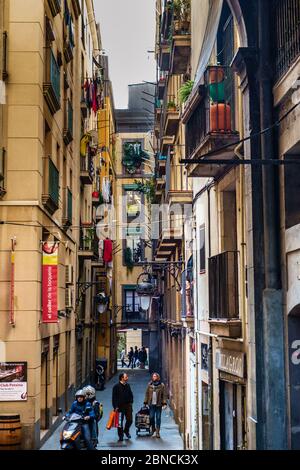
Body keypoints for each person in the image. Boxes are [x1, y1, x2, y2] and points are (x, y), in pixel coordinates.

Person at [144, 373, 168, 438]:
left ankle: (157, 432)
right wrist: (145, 402)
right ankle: (153, 429)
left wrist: (164, 403)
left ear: (158, 377)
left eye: (155, 376)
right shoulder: (150, 384)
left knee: (158, 418)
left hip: (158, 404)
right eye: (153, 376)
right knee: (151, 417)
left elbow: (164, 395)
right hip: (151, 404)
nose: (154, 377)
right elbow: (147, 393)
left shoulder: (161, 385)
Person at [112, 372, 134, 442]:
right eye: (126, 377)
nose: (127, 378)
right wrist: (115, 406)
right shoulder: (116, 386)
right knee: (119, 423)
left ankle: (126, 431)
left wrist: (131, 401)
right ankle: (120, 436)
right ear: (122, 378)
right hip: (119, 407)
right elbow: (114, 398)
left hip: (128, 406)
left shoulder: (128, 385)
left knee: (130, 420)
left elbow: (131, 394)